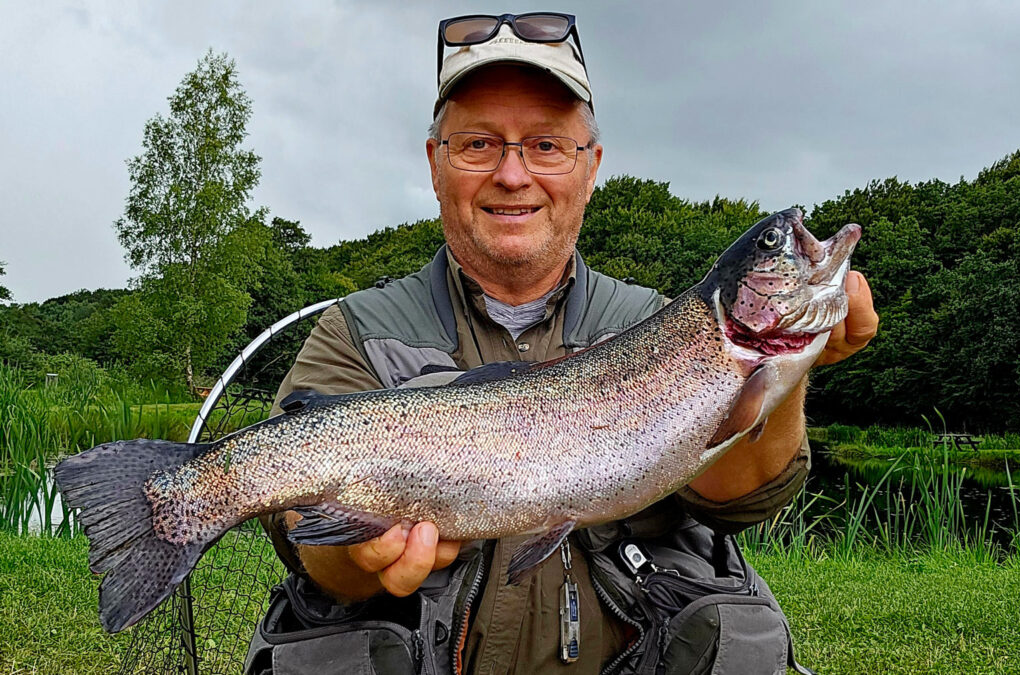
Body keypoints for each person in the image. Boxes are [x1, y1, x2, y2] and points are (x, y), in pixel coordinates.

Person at [245, 12, 878, 675]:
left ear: (591, 166)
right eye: (479, 144)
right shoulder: (357, 332)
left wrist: (792, 366)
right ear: (436, 164)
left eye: (546, 145)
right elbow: (298, 528)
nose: (513, 174)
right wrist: (352, 554)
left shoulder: (656, 327)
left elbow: (736, 495)